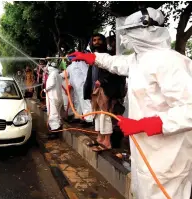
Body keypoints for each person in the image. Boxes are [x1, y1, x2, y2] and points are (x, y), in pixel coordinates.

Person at [68, 7, 192, 199]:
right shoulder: (139, 59)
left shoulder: (170, 62)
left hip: (168, 158)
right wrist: (92, 58)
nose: (126, 38)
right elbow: (116, 63)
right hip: (145, 151)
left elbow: (189, 109)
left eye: (130, 32)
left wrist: (145, 124)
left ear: (147, 31)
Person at [84, 33, 126, 151]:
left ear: (104, 42)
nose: (96, 42)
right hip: (95, 91)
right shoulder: (93, 57)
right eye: (94, 40)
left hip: (106, 90)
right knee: (96, 115)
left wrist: (102, 81)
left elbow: (113, 74)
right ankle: (99, 138)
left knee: (106, 115)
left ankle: (107, 141)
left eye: (99, 40)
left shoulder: (109, 57)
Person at [44, 62, 63, 139]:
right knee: (57, 114)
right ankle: (57, 128)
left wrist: (45, 89)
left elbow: (51, 84)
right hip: (58, 97)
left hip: (53, 98)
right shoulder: (58, 74)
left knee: (53, 115)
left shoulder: (52, 74)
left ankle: (55, 133)